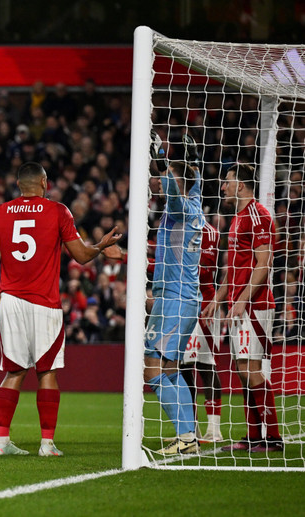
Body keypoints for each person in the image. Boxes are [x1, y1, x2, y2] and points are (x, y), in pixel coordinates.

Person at [0, 162, 122, 457]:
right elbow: (81, 256)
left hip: (10, 299)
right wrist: (100, 246)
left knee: (14, 370)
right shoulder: (58, 211)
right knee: (47, 371)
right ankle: (47, 444)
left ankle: (0, 440)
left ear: (19, 184)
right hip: (44, 301)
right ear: (44, 182)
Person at [201, 163, 283, 453]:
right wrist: (218, 299)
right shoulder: (237, 218)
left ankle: (272, 437)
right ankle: (253, 436)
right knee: (241, 368)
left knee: (251, 369)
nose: (223, 187)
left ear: (242, 185)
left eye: (228, 181)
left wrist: (243, 300)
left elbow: (264, 265)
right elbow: (233, 269)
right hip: (238, 305)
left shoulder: (259, 216)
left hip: (255, 305)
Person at [143, 132, 204, 455]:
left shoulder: (181, 210)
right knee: (169, 369)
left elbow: (175, 193)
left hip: (174, 300)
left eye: (163, 178)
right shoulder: (195, 204)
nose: (157, 182)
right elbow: (194, 183)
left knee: (152, 370)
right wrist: (191, 160)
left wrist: (163, 160)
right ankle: (188, 436)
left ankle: (187, 436)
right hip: (181, 298)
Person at [179, 217, 224, 443]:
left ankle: (214, 429)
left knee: (207, 365)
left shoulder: (210, 232)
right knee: (183, 367)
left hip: (205, 304)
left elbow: (204, 272)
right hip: (181, 304)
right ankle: (191, 428)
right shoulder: (176, 228)